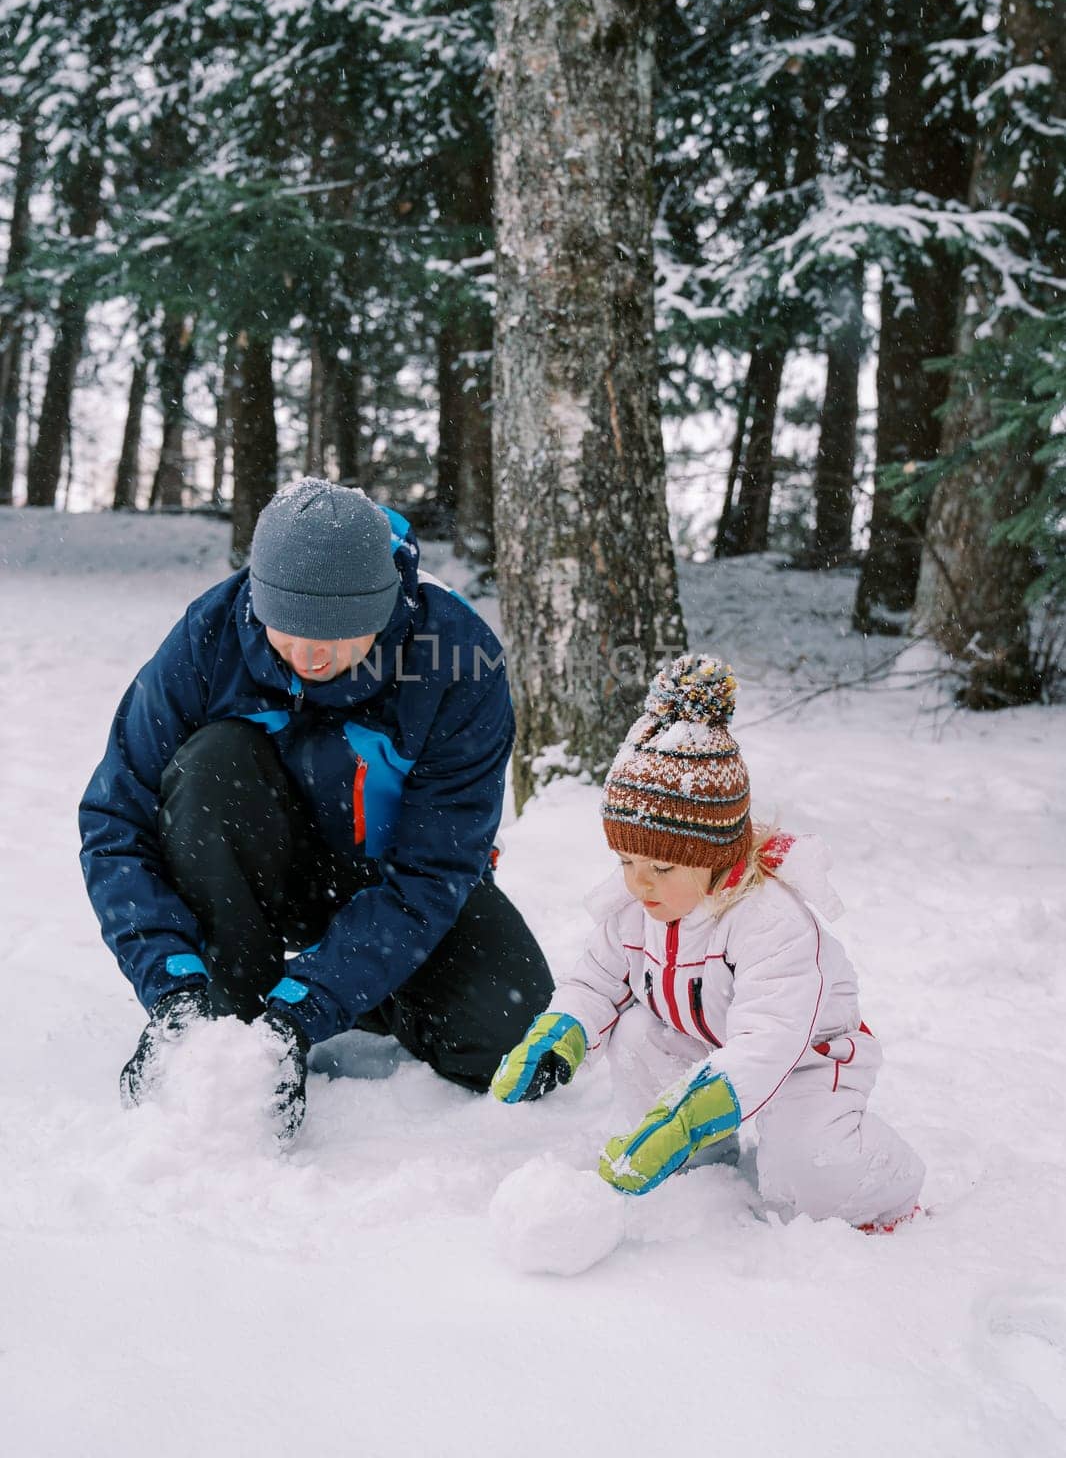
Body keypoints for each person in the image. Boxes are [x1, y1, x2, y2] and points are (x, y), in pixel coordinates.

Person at [80, 479, 553, 1137]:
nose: (308, 658)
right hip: (258, 871)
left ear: (384, 605)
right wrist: (172, 988)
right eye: (288, 632)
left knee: (513, 1040)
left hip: (394, 884)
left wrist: (306, 1009)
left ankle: (340, 984)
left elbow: (434, 871)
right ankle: (226, 1003)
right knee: (212, 762)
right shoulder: (211, 634)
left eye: (335, 636)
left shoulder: (457, 658)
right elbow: (115, 819)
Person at [491, 654, 925, 1229]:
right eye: (625, 859)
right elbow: (596, 980)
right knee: (641, 1031)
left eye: (662, 868)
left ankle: (883, 1184)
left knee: (812, 1175)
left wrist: (685, 1115)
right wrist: (562, 1032)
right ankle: (700, 1158)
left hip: (804, 1059)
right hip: (703, 1041)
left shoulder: (769, 921)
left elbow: (769, 1041)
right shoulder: (637, 909)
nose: (638, 882)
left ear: (713, 858)